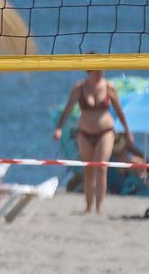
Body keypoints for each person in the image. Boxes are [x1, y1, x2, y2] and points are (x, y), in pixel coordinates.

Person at [54, 70, 132, 214]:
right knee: (89, 170)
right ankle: (89, 206)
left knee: (101, 167)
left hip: (105, 132)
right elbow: (68, 109)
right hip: (85, 133)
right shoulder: (79, 88)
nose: (100, 74)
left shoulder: (109, 87)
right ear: (89, 71)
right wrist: (59, 128)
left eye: (102, 71)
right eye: (97, 71)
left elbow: (119, 110)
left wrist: (127, 131)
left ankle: (99, 206)